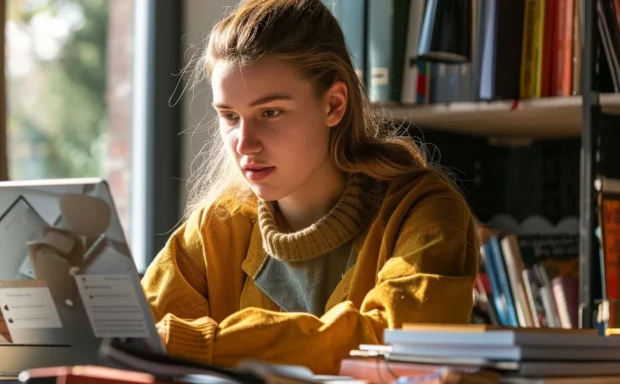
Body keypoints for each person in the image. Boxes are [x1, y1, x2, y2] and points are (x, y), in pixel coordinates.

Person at [141, 0, 480, 375]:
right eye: (230, 116)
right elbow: (131, 335)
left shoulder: (423, 211)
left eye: (270, 112)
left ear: (334, 104)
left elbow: (392, 343)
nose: (244, 143)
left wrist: (205, 345)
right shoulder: (217, 228)